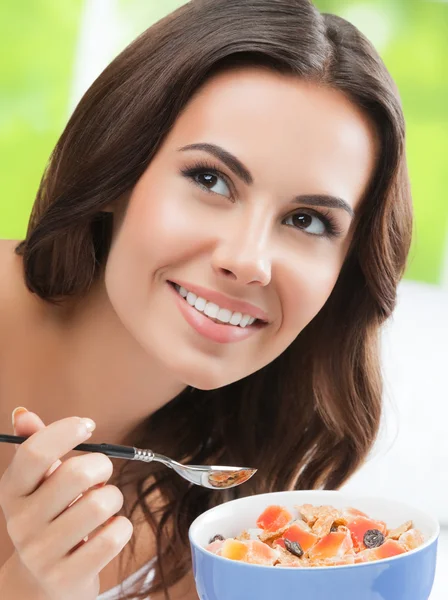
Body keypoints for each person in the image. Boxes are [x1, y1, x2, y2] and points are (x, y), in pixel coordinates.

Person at [0, 0, 412, 598]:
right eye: (210, 179)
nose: (248, 260)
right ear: (119, 167)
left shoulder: (224, 511)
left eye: (307, 219)